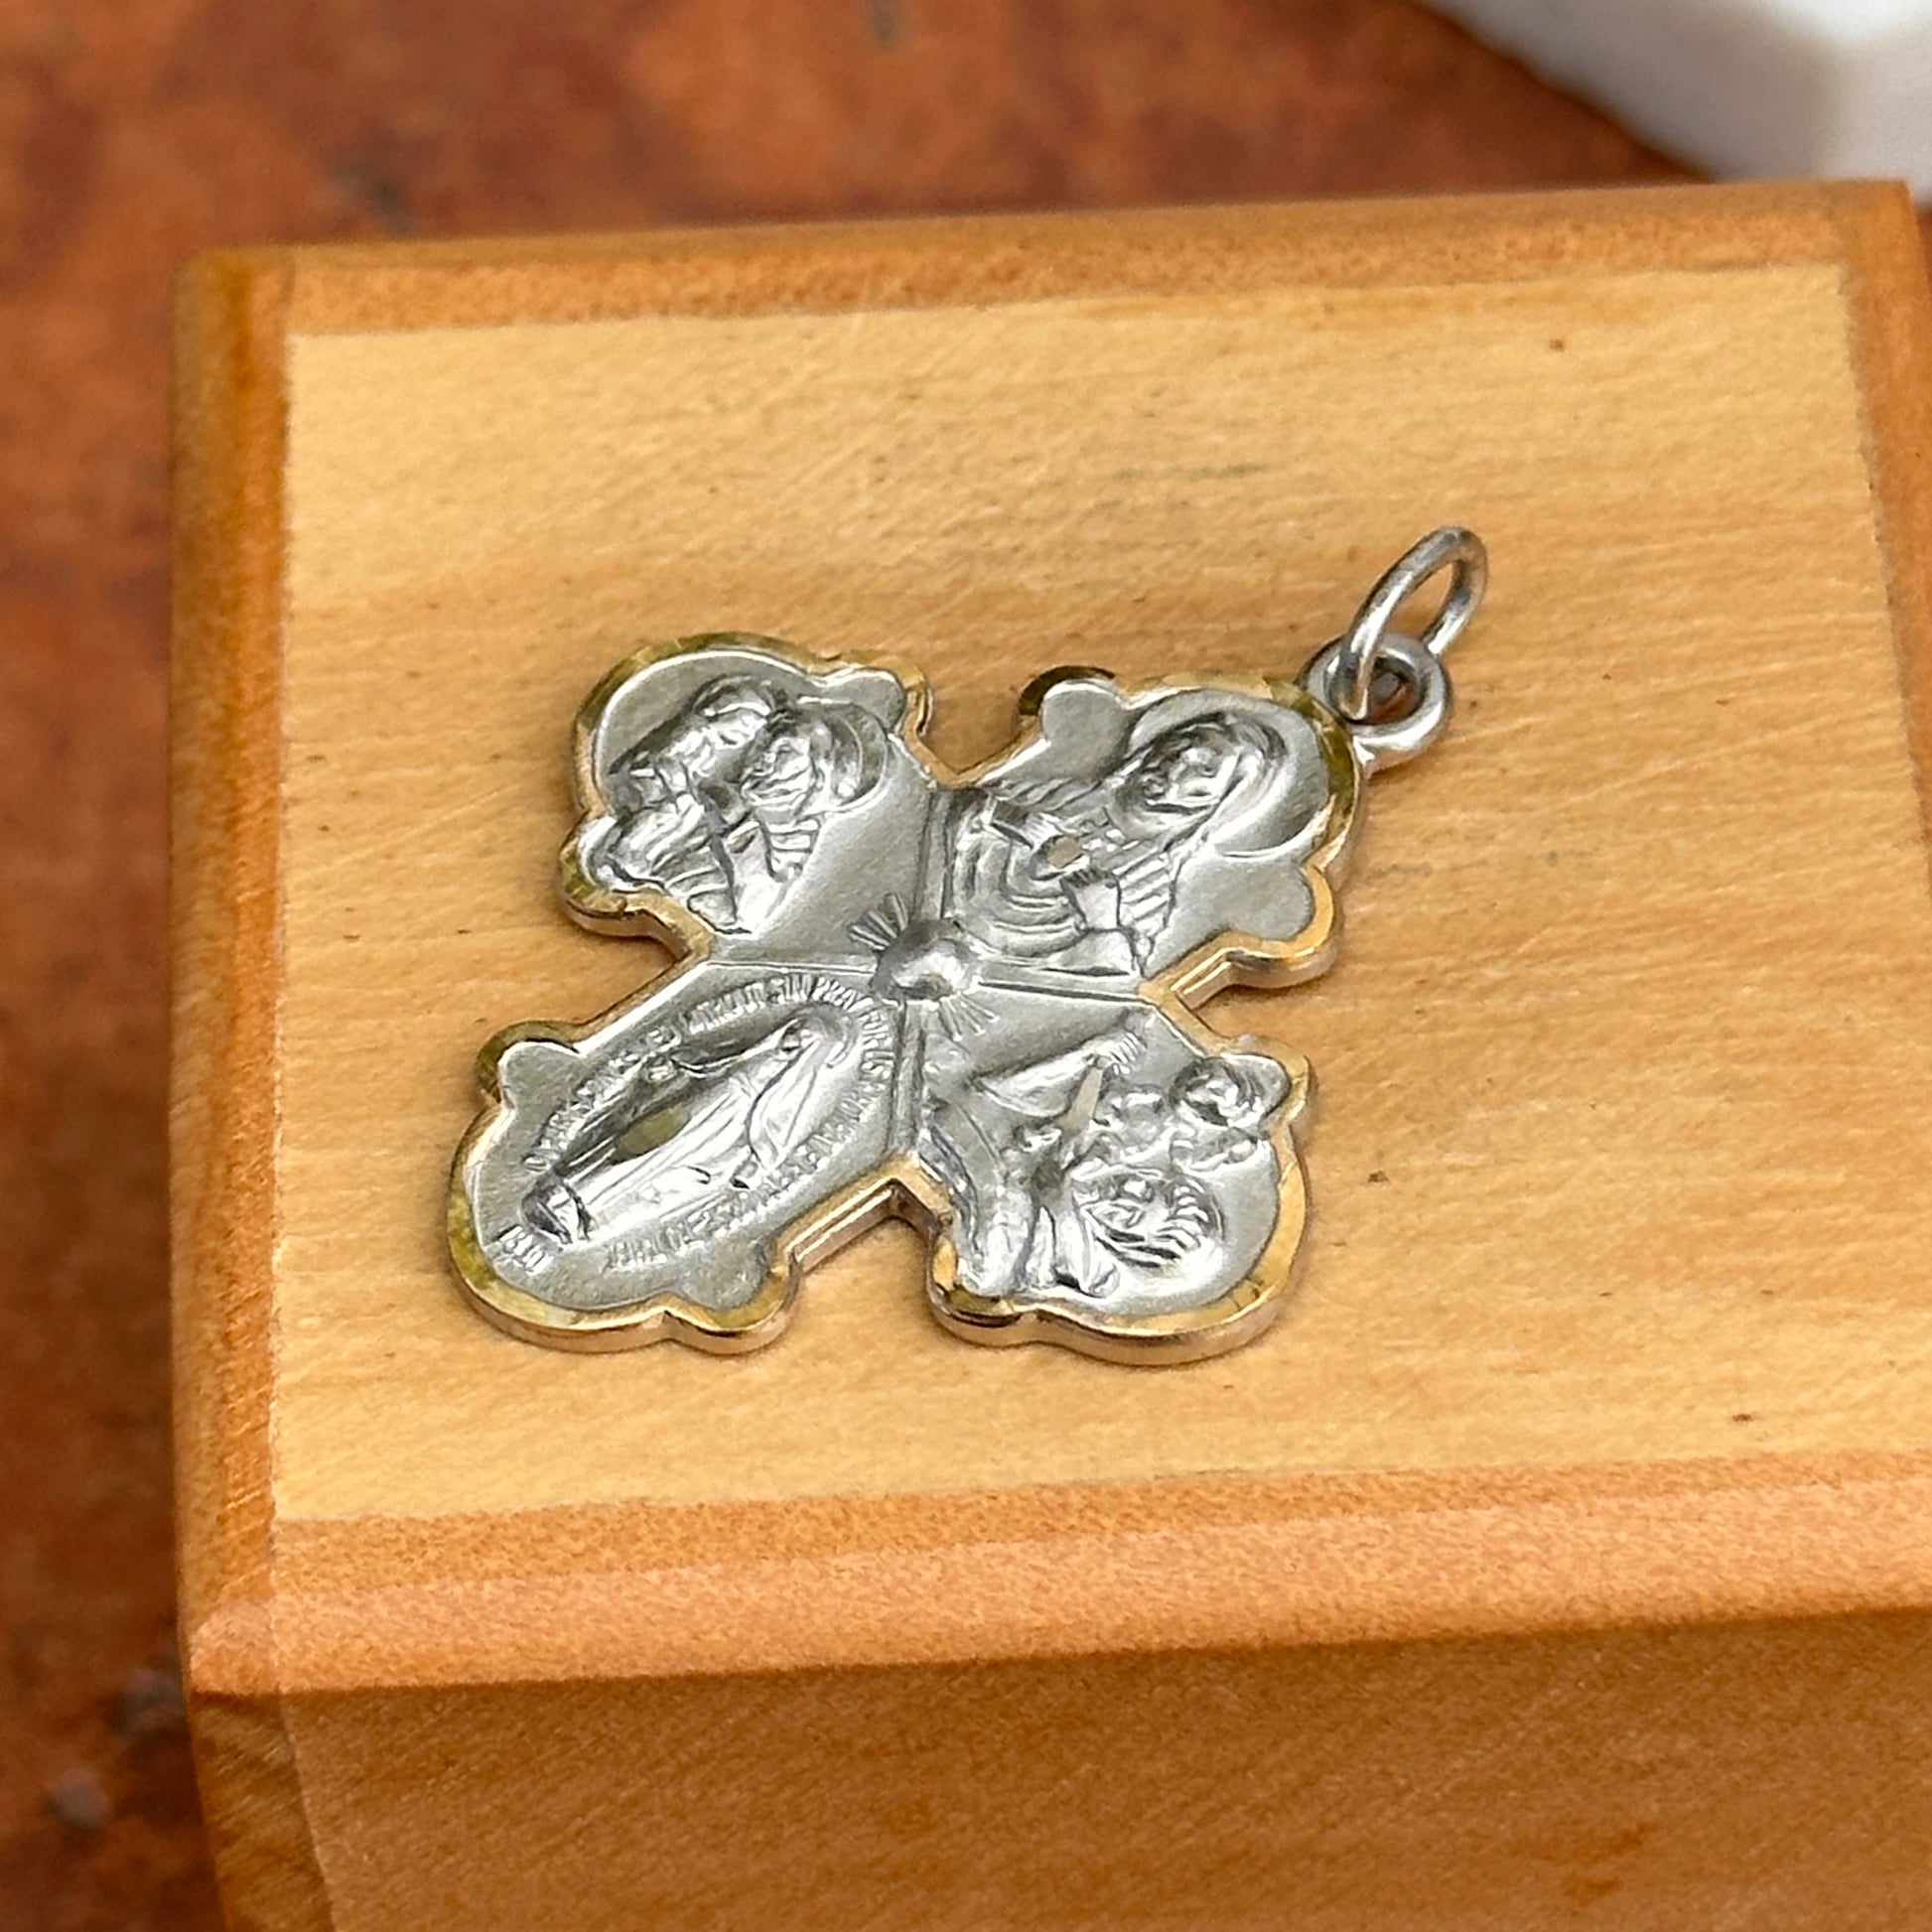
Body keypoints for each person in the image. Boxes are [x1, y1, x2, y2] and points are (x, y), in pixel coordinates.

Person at [947, 708, 1280, 975]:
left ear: (1220, 797)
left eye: (1205, 767)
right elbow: (952, 809)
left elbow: (1122, 971)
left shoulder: (1150, 877)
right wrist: (1011, 819)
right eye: (1180, 743)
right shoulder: (1062, 795)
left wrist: (1103, 920)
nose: (1177, 762)